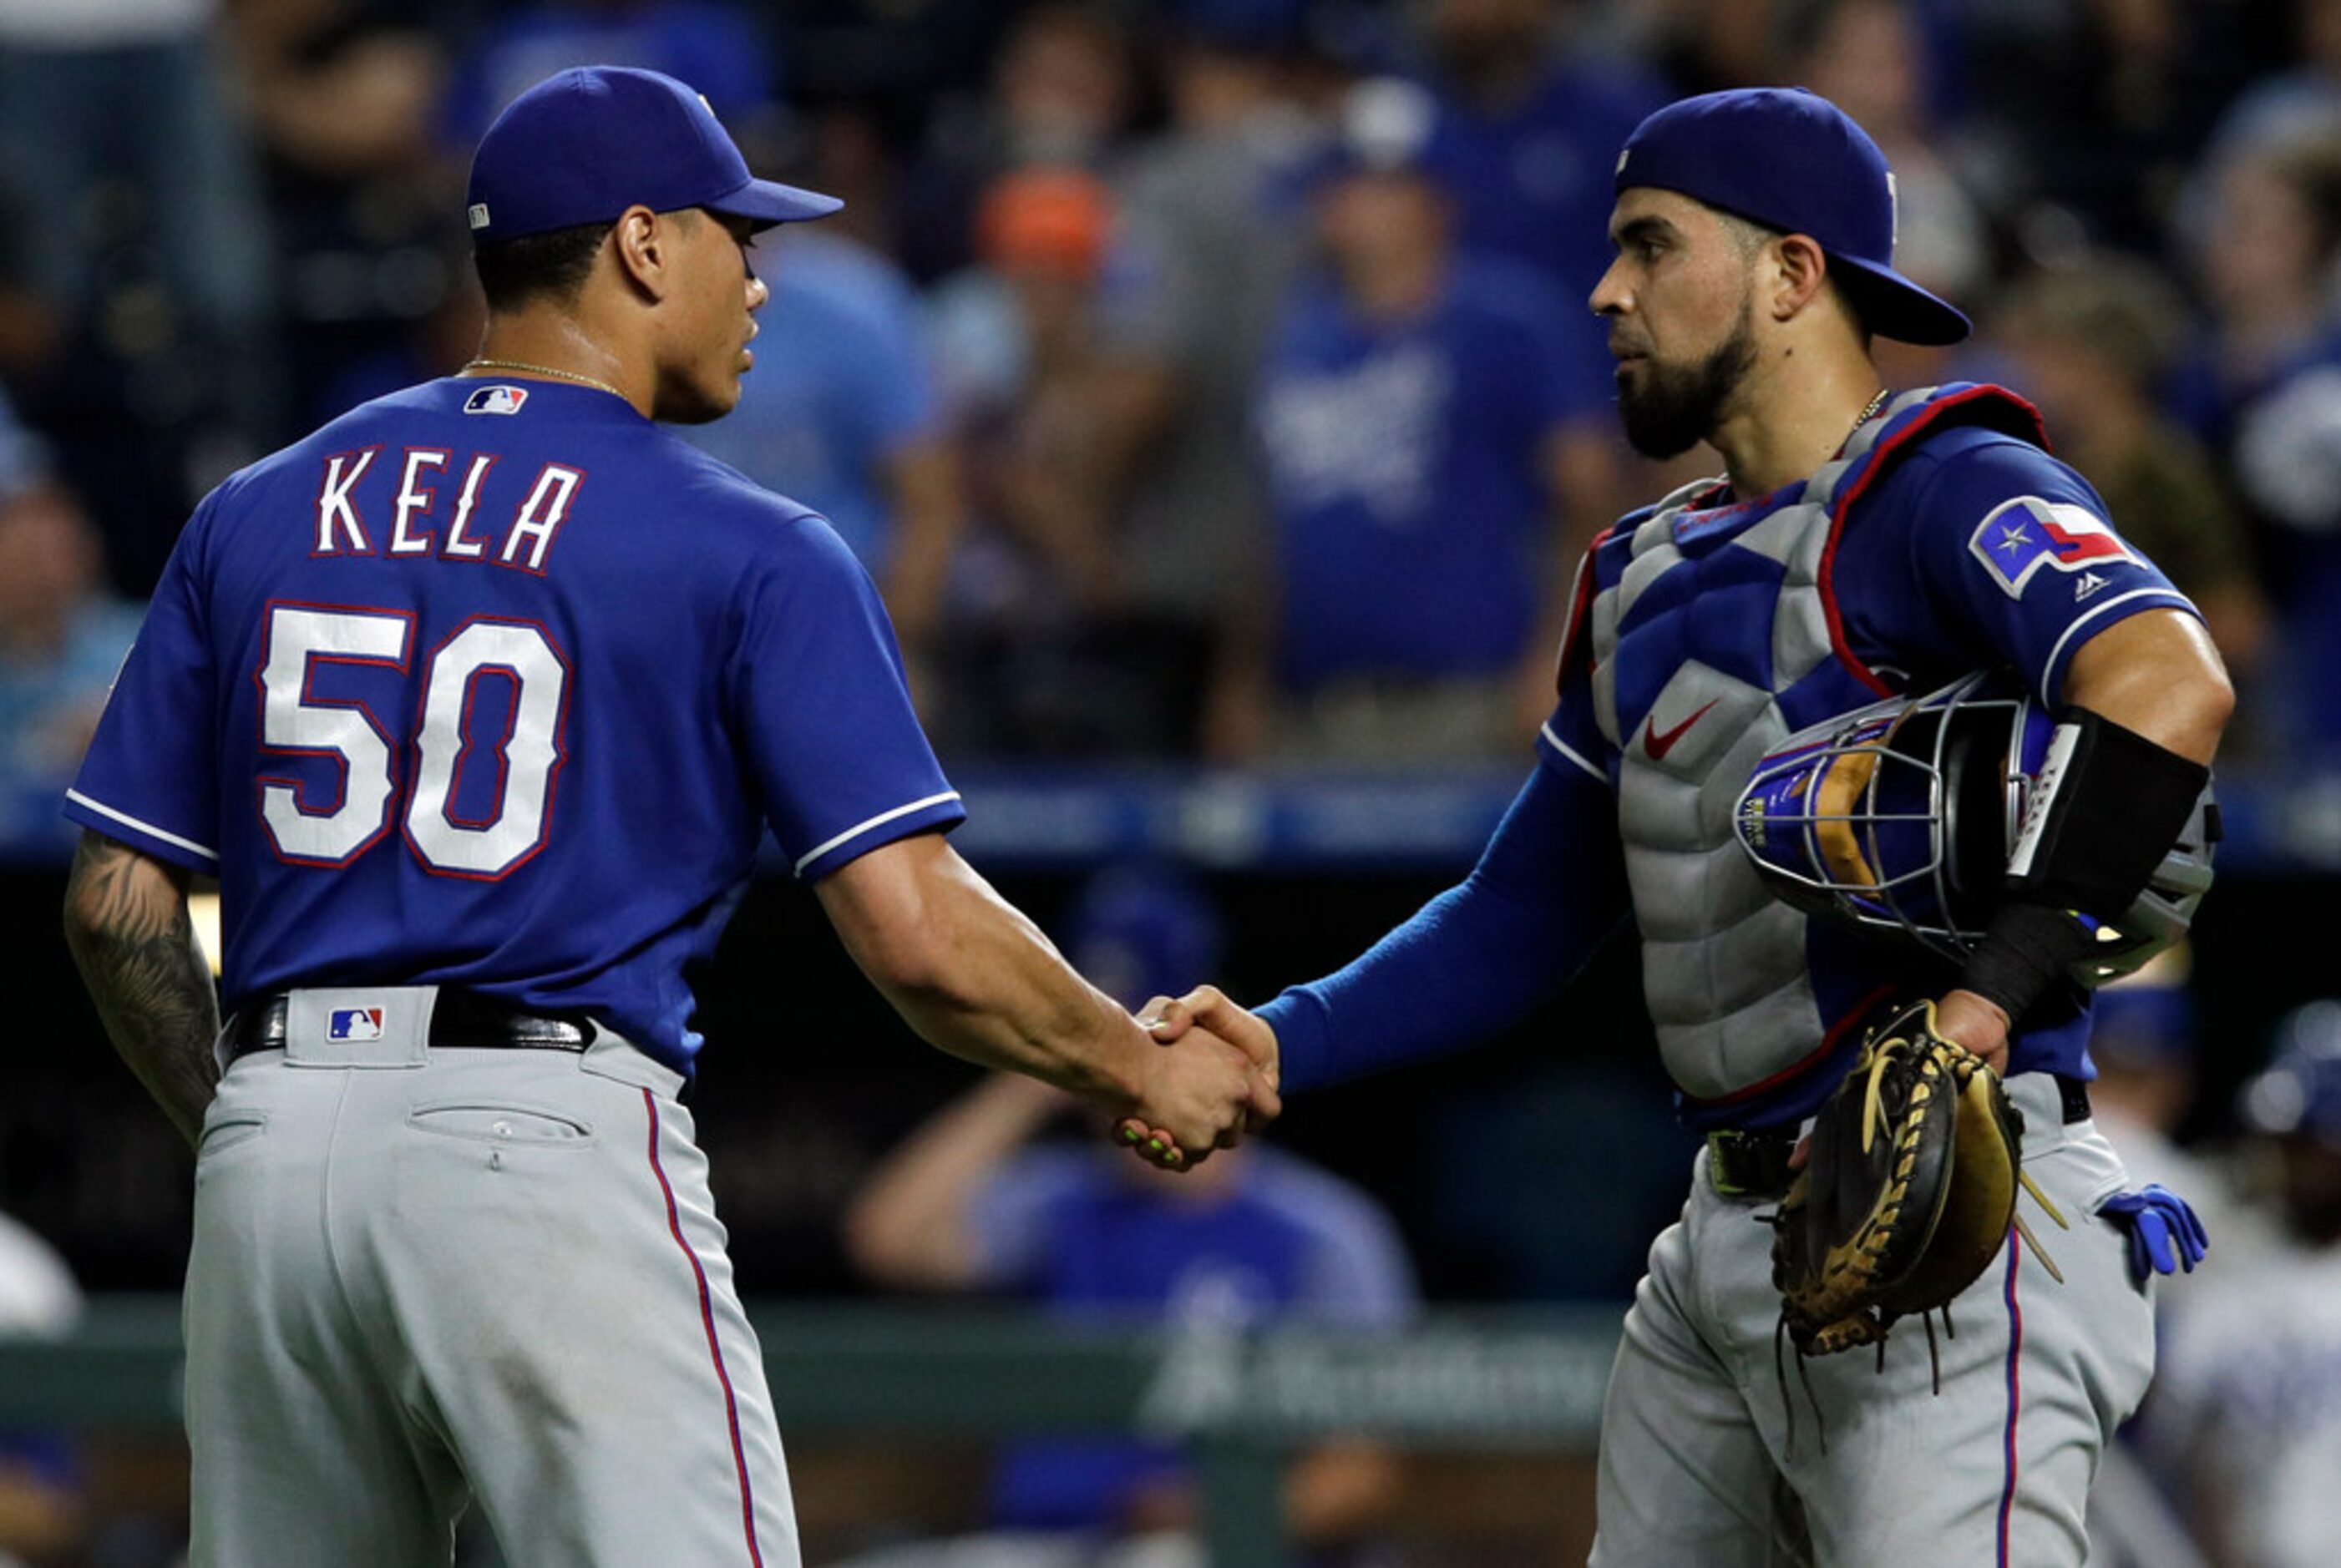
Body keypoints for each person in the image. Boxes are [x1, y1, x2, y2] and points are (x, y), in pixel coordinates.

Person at [56, 65, 1274, 1568]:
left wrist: (248, 1119)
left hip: (271, 1144)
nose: (760, 277)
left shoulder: (258, 502)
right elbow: (915, 933)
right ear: (640, 244)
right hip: (536, 1134)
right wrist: (1128, 1061)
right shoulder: (744, 539)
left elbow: (116, 905)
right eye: (733, 236)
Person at [1135, 88, 2234, 1565]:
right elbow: (1524, 902)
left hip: (1958, 1224)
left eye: (1651, 247)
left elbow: (2167, 679)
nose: (1606, 290)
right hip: (1724, 1240)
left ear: (1790, 274)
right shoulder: (1636, 573)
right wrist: (1279, 1041)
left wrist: (1992, 992)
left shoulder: (1943, 484)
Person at [842, 865, 1414, 1566]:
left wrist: (1208, 1512)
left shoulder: (1321, 1231)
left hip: (1207, 1548)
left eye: (1143, 1030)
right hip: (1049, 1545)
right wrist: (1041, 1065)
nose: (1118, 1057)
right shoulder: (1057, 1201)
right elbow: (888, 1238)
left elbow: (1365, 1474)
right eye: (1095, 1021)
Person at [2144, 1003, 2341, 1567]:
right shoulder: (2222, 1288)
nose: (2294, 1158)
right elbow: (2175, 1469)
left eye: (2314, 1140)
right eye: (2291, 1140)